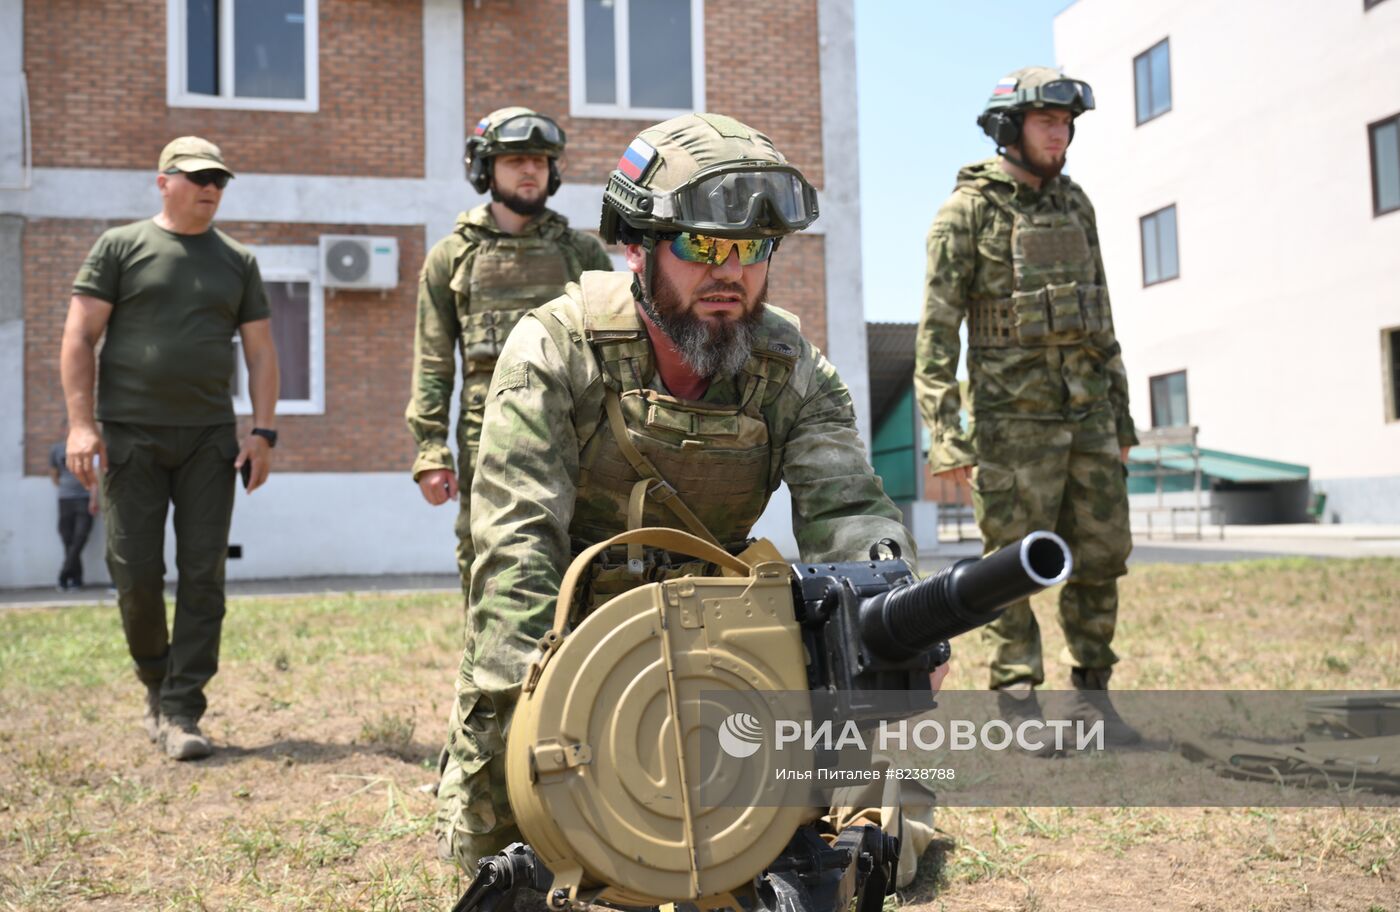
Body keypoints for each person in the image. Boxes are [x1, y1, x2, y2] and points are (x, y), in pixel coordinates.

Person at [434, 111, 920, 878]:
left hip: (724, 651)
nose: (732, 274)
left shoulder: (793, 371)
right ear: (641, 244)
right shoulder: (555, 351)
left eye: (754, 251)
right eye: (703, 246)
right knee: (510, 863)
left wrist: (892, 609)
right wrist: (537, 713)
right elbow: (516, 548)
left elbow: (849, 512)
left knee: (882, 839)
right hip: (572, 644)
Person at [914, 67, 1140, 746]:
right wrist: (946, 436)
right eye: (1047, 122)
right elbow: (935, 329)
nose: (1060, 135)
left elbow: (1102, 317)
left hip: (1090, 416)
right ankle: (1017, 705)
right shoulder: (967, 210)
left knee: (1101, 557)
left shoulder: (1077, 205)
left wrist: (1122, 417)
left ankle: (1094, 700)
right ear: (1010, 128)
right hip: (1012, 427)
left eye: (1066, 123)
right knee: (1010, 566)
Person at [60, 136, 279, 761]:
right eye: (197, 177)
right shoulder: (121, 247)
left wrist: (262, 432)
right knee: (135, 572)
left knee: (204, 573)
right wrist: (81, 425)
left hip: (210, 439)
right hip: (130, 434)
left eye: (219, 179)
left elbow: (261, 351)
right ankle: (156, 681)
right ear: (164, 181)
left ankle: (183, 707)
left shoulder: (236, 260)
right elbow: (79, 335)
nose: (210, 187)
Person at [406, 106, 612, 604]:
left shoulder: (582, 254)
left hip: (578, 433)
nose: (530, 171)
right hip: (487, 436)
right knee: (488, 557)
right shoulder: (453, 256)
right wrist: (431, 452)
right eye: (516, 159)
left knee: (583, 556)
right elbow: (433, 362)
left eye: (540, 162)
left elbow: (615, 355)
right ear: (485, 170)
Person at [49, 432, 100, 591]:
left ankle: (63, 575)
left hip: (85, 499)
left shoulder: (89, 448)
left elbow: (96, 475)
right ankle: (76, 579)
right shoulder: (56, 449)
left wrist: (94, 498)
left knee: (80, 537)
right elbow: (54, 474)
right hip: (65, 499)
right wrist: (65, 488)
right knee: (67, 539)